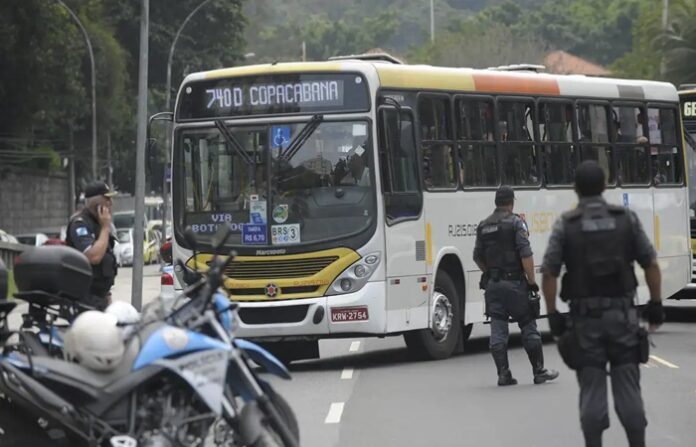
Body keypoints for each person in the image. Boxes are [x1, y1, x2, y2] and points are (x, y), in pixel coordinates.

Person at [541, 160, 664, 447]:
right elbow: (651, 264)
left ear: (575, 189)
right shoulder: (626, 219)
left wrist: (552, 315)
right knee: (628, 387)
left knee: (592, 387)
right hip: (622, 319)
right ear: (606, 186)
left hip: (585, 324)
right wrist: (656, 304)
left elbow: (549, 273)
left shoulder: (566, 225)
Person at [473, 185, 559, 386]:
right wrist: (531, 282)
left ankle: (503, 374)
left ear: (496, 202)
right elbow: (526, 255)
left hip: (493, 286)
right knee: (528, 324)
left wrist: (490, 272)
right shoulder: (515, 223)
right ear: (511, 202)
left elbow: (477, 256)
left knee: (498, 328)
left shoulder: (483, 226)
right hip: (514, 284)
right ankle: (539, 371)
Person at [66, 181, 118, 310]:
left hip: (100, 295)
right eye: (107, 199)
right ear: (96, 203)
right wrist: (105, 228)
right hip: (85, 297)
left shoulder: (99, 223)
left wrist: (107, 295)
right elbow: (93, 257)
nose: (111, 203)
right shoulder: (80, 224)